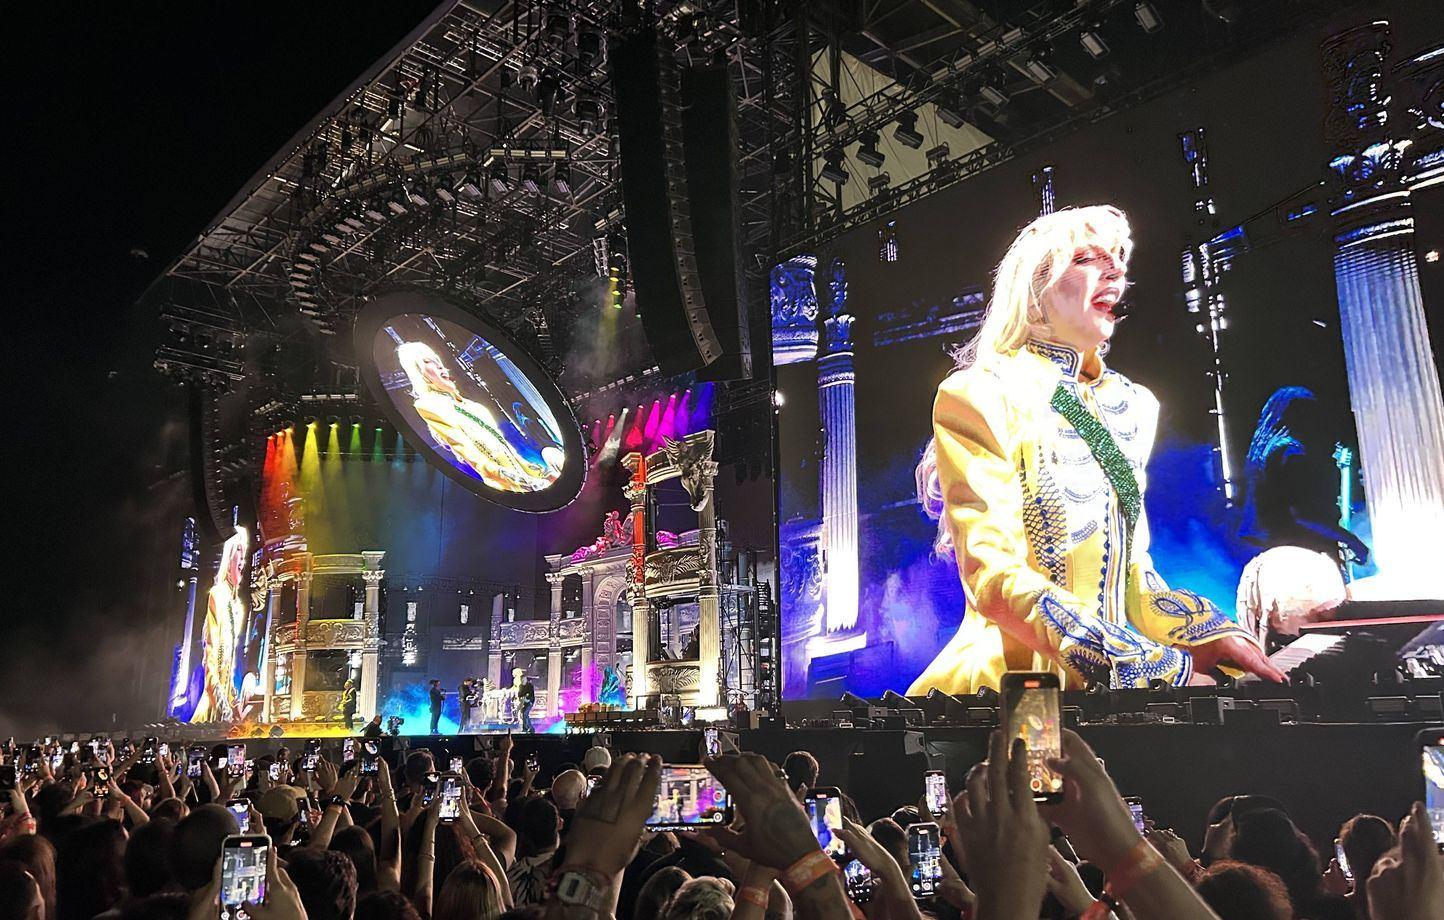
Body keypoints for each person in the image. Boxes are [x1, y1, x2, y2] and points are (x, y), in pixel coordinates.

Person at [910, 205, 1284, 693]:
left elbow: (1134, 575)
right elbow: (993, 575)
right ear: (1035, 290)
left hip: (1111, 692)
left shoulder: (1132, 405)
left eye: (1119, 259)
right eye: (1087, 258)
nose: (1116, 270)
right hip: (1008, 690)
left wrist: (1210, 635)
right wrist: (1153, 668)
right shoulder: (979, 393)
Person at [395, 341, 561, 493]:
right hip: (506, 487)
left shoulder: (474, 407)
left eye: (437, 359)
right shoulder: (428, 404)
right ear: (418, 371)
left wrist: (542, 474)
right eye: (427, 361)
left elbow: (511, 454)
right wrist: (525, 483)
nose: (439, 366)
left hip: (526, 481)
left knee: (553, 455)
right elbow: (473, 457)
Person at [191, 526, 249, 722]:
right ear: (229, 555)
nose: (243, 560)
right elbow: (211, 657)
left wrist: (233, 703)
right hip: (214, 704)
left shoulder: (236, 604)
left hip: (224, 699)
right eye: (239, 551)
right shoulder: (218, 595)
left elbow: (228, 665)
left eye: (245, 553)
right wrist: (222, 705)